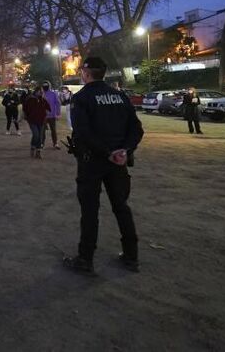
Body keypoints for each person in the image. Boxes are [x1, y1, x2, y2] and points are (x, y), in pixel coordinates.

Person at [64, 57, 143, 275]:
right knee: (121, 207)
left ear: (86, 73)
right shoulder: (120, 97)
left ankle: (85, 258)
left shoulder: (82, 98)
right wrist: (124, 150)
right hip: (119, 161)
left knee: (90, 211)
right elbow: (136, 129)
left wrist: (107, 153)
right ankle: (131, 256)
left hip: (93, 162)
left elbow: (83, 133)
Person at [23, 85, 51, 159]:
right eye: (39, 91)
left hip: (41, 121)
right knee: (36, 135)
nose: (41, 93)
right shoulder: (30, 99)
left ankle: (38, 152)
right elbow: (25, 108)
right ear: (36, 91)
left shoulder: (43, 100)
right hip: (32, 120)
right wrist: (25, 116)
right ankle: (32, 147)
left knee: (40, 137)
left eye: (42, 92)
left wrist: (47, 112)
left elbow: (48, 108)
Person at [42, 81, 61, 149]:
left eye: (46, 85)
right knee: (42, 131)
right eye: (44, 85)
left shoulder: (53, 94)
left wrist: (58, 113)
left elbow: (58, 103)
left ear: (49, 86)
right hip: (43, 116)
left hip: (52, 115)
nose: (45, 87)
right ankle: (42, 143)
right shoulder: (41, 94)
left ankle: (55, 143)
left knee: (53, 130)